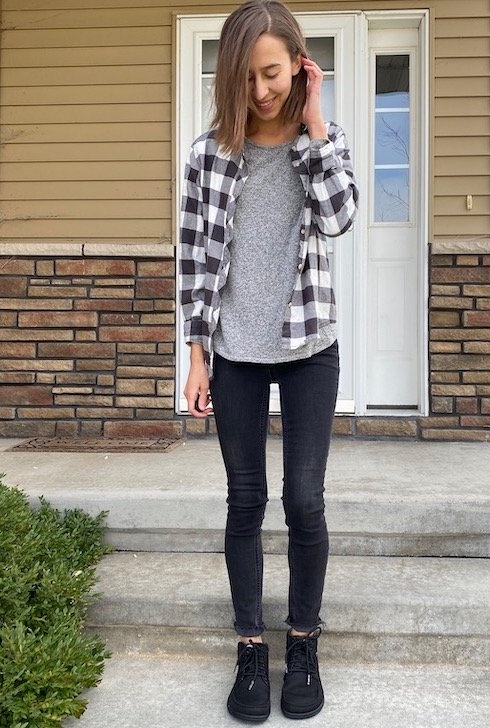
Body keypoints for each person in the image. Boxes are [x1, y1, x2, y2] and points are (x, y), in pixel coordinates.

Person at [179, 0, 358, 721]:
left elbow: (342, 216)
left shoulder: (323, 138)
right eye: (249, 77)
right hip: (235, 350)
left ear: (300, 65)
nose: (262, 90)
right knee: (245, 500)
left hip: (310, 345)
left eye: (275, 73)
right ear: (231, 76)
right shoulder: (208, 155)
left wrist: (315, 129)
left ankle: (304, 642)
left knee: (305, 499)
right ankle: (252, 648)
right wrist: (195, 356)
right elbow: (194, 261)